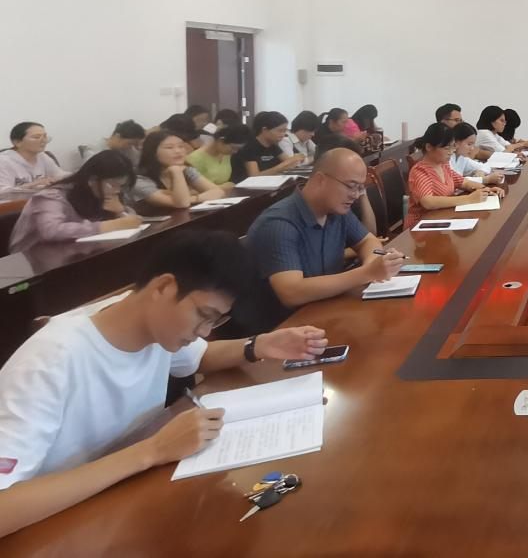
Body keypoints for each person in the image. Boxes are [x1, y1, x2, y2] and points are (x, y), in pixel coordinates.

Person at [0, 230, 328, 538]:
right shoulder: (49, 362)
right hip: (49, 528)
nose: (204, 331)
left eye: (215, 320)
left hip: (120, 503)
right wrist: (153, 450)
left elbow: (200, 357)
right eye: (203, 315)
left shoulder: (154, 327)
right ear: (163, 288)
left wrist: (259, 345)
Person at [236, 148, 406, 333]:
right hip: (280, 329)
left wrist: (373, 264)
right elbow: (291, 293)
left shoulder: (337, 210)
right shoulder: (278, 224)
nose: (356, 195)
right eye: (351, 186)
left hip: (324, 312)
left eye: (360, 187)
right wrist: (366, 273)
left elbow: (368, 241)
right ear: (320, 180)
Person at [8, 151, 144, 253]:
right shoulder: (52, 196)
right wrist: (109, 225)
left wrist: (120, 212)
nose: (117, 190)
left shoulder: (104, 192)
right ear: (92, 180)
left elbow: (130, 222)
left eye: (121, 186)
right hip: (32, 257)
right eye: (113, 184)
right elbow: (51, 231)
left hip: (76, 251)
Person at [407, 124, 500, 224]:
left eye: (453, 147)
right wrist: (468, 199)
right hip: (422, 224)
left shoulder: (444, 165)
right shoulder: (420, 171)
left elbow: (463, 182)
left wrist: (485, 190)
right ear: (429, 147)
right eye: (447, 148)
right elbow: (428, 202)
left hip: (443, 217)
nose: (451, 152)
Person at [128, 131, 225, 210]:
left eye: (181, 146)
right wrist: (176, 172)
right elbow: (182, 203)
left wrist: (193, 198)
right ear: (152, 152)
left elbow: (218, 191)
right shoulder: (140, 179)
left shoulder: (186, 169)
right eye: (169, 147)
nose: (178, 151)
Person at [232, 111, 306, 182]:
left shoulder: (273, 145)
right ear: (265, 130)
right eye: (280, 131)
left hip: (271, 184)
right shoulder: (249, 147)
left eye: (285, 131)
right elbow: (254, 177)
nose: (283, 134)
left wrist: (296, 159)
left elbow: (288, 162)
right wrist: (282, 167)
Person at [0, 123, 68, 191]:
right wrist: (33, 184)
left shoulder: (42, 156)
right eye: (36, 137)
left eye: (45, 137)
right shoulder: (3, 161)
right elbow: (3, 192)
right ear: (17, 142)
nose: (44, 141)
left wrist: (73, 177)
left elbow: (60, 175)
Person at [186, 123, 250, 190]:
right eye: (233, 148)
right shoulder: (196, 158)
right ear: (221, 140)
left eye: (238, 149)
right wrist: (223, 187)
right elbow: (191, 190)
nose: (235, 151)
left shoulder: (225, 154)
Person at [81, 120, 146, 169]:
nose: (131, 147)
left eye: (134, 144)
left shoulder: (128, 150)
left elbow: (139, 164)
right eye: (130, 143)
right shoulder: (95, 151)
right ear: (117, 136)